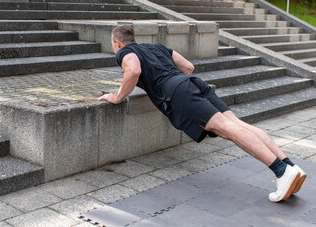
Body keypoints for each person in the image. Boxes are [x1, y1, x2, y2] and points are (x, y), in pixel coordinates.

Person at [98, 25, 307, 202]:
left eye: (114, 45)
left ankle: (281, 171)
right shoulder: (156, 47)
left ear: (117, 43)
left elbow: (133, 71)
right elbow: (188, 67)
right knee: (238, 125)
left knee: (228, 129)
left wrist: (117, 96)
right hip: (193, 82)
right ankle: (290, 167)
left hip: (177, 91)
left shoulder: (123, 53)